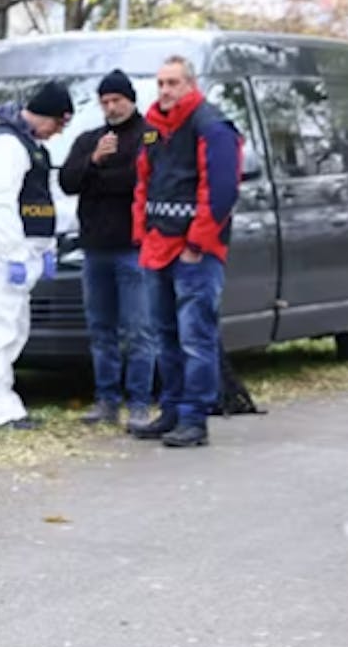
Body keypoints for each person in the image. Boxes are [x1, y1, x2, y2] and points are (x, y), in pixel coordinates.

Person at [130, 55, 241, 448]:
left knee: (196, 337)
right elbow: (143, 180)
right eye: (160, 82)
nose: (164, 90)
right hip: (158, 246)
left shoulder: (211, 126)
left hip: (194, 252)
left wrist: (197, 243)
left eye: (173, 83)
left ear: (191, 85)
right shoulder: (152, 128)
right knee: (166, 336)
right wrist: (141, 232)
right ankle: (173, 411)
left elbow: (222, 190)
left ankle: (195, 418)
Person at [0, 82, 73, 443]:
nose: (57, 133)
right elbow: (1, 204)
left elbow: (38, 202)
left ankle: (4, 403)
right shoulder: (7, 145)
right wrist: (14, 254)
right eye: (58, 125)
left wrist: (44, 250)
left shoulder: (28, 144)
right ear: (45, 115)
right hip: (0, 250)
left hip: (18, 250)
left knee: (12, 328)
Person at [57, 69, 156, 427]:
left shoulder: (150, 135)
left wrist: (97, 180)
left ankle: (140, 402)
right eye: (105, 102)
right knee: (102, 329)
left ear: (131, 100)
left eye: (117, 100)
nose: (111, 107)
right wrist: (93, 162)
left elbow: (137, 179)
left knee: (139, 329)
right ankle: (106, 399)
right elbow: (67, 180)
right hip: (95, 248)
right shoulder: (90, 140)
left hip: (133, 248)